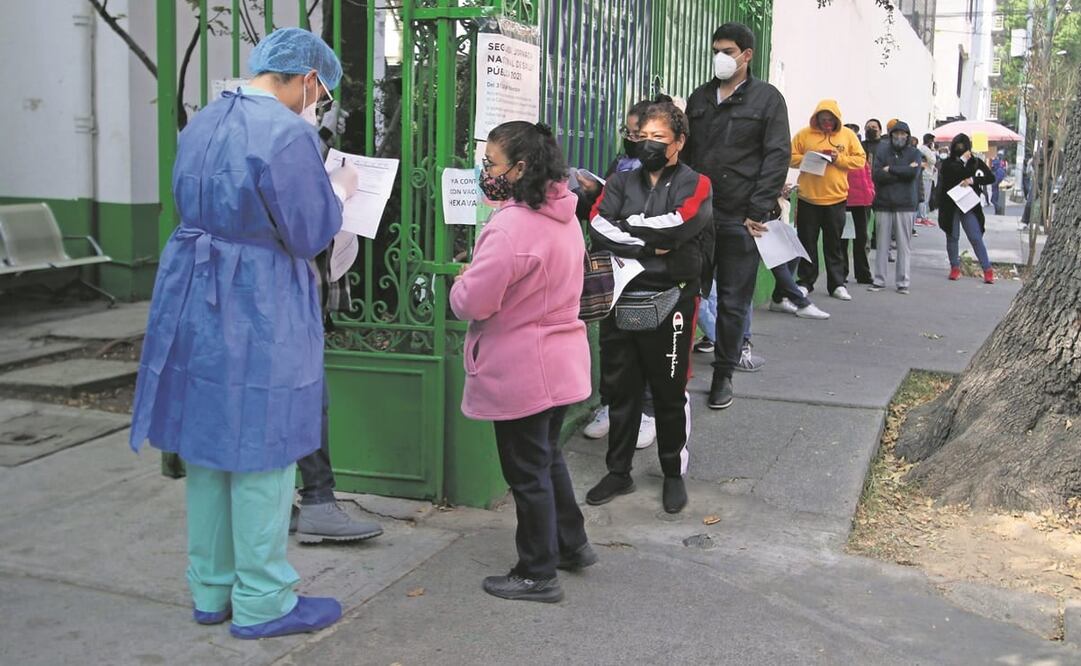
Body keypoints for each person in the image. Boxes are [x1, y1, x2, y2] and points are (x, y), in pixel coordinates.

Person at [130, 28, 356, 639]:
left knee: (208, 443)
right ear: (308, 78)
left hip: (195, 293)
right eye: (321, 91)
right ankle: (263, 600)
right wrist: (338, 195)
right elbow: (308, 232)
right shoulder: (288, 135)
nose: (319, 101)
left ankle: (211, 587)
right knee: (264, 443)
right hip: (259, 299)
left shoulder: (204, 120)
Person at [450, 121, 595, 603]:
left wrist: (462, 281)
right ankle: (571, 544)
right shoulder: (564, 215)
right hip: (561, 361)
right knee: (546, 458)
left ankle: (537, 572)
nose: (485, 171)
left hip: (522, 368)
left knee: (527, 472)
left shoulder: (510, 226)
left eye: (490, 163)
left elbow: (474, 302)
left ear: (520, 168)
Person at [585, 100, 713, 514]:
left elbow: (681, 224)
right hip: (621, 296)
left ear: (679, 141)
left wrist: (627, 226)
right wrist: (646, 244)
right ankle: (618, 471)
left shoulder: (697, 183)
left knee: (668, 391)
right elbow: (598, 225)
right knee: (621, 390)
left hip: (673, 297)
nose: (648, 144)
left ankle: (672, 472)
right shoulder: (620, 181)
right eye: (643, 136)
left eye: (659, 137)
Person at [683, 22, 791, 411]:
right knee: (686, 293)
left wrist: (756, 210)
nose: (720, 57)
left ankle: (723, 374)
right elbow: (686, 153)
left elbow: (777, 156)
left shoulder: (767, 100)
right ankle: (675, 373)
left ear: (746, 55)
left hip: (739, 218)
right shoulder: (699, 98)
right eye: (716, 50)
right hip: (697, 216)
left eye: (727, 51)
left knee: (732, 303)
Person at [578, 98, 662, 450]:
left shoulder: (670, 172)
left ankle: (647, 411)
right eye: (627, 132)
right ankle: (610, 404)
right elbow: (602, 210)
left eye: (637, 134)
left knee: (644, 340)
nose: (631, 139)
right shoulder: (621, 162)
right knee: (612, 340)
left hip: (645, 266)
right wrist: (591, 194)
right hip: (610, 262)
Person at [790, 100, 866, 302]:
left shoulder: (848, 135)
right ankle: (805, 282)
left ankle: (837, 284)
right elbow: (789, 157)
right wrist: (808, 158)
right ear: (816, 119)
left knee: (834, 244)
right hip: (808, 198)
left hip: (836, 198)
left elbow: (860, 160)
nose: (826, 124)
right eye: (823, 120)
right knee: (807, 242)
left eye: (830, 120)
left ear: (837, 120)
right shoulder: (804, 134)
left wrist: (838, 159)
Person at [868, 121, 921, 294]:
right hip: (883, 203)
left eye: (903, 134)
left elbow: (912, 174)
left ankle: (903, 282)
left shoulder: (915, 153)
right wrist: (902, 171)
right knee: (882, 245)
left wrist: (890, 169)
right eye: (896, 134)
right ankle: (879, 280)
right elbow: (877, 175)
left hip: (905, 205)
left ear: (908, 136)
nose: (899, 137)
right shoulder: (882, 151)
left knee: (903, 246)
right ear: (891, 135)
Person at [937, 133, 997, 284]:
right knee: (952, 236)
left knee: (975, 236)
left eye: (963, 146)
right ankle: (954, 267)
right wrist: (962, 162)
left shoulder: (975, 162)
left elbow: (990, 177)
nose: (960, 149)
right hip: (951, 205)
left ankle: (987, 269)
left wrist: (973, 180)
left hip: (969, 204)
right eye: (957, 146)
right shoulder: (948, 163)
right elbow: (952, 175)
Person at [842, 123, 874, 285]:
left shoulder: (860, 153)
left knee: (861, 239)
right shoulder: (841, 154)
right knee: (843, 239)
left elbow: (867, 174)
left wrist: (871, 191)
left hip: (862, 201)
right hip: (844, 200)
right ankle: (842, 273)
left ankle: (862, 273)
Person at [917, 133, 939, 223]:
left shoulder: (925, 149)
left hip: (928, 174)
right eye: (932, 141)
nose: (933, 143)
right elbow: (933, 160)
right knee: (924, 197)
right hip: (925, 175)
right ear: (929, 141)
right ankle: (922, 216)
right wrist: (932, 152)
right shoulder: (924, 149)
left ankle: (923, 215)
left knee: (926, 197)